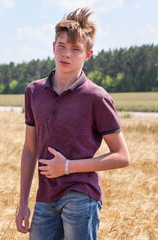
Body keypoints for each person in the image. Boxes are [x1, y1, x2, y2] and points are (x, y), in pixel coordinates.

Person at [15, 8, 130, 240]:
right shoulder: (34, 91)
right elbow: (29, 149)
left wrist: (68, 167)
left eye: (76, 49)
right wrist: (22, 203)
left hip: (81, 194)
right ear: (53, 46)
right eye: (62, 46)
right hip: (45, 197)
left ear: (88, 54)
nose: (66, 54)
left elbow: (122, 156)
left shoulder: (97, 97)